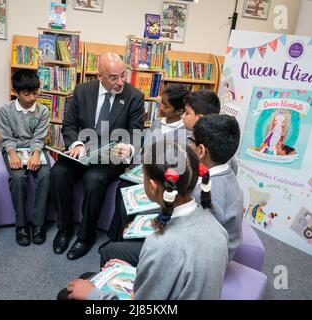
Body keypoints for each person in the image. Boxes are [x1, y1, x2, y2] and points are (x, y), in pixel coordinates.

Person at [59, 142, 229, 300]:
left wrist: (92, 295)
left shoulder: (159, 244)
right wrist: (134, 271)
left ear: (152, 186)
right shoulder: (216, 227)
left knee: (68, 293)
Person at [50, 52, 145, 260]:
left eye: (123, 75)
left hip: (109, 157)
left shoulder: (134, 96)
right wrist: (75, 143)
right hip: (82, 151)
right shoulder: (83, 91)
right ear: (99, 75)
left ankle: (86, 235)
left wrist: (127, 148)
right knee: (58, 173)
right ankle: (64, 228)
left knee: (93, 179)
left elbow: (136, 133)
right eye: (113, 77)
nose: (120, 82)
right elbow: (69, 125)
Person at [99, 84, 189, 251]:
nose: (160, 108)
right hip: (145, 173)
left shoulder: (185, 132)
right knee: (123, 188)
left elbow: (177, 163)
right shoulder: (156, 123)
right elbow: (145, 151)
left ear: (179, 111)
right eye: (161, 103)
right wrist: (136, 165)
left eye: (166, 106)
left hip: (165, 180)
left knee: (139, 198)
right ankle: (116, 238)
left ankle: (129, 243)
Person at [0, 69, 50, 247]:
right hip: (13, 149)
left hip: (36, 149)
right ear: (16, 92)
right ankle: (21, 226)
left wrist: (36, 153)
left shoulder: (43, 110)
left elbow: (39, 137)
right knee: (18, 177)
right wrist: (12, 154)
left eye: (35, 93)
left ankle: (38, 224)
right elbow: (7, 137)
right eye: (26, 94)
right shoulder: (5, 110)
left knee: (45, 176)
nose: (31, 98)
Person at [190, 114, 243, 260]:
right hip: (222, 252)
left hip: (207, 262)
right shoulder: (228, 173)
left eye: (191, 141)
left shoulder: (205, 192)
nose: (189, 145)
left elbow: (195, 241)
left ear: (201, 150)